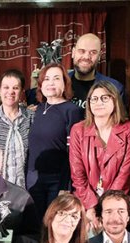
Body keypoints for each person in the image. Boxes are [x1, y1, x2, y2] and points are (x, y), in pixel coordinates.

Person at [69, 81, 130, 232]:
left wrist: (106, 207)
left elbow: (125, 174)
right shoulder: (78, 130)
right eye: (94, 99)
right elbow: (77, 173)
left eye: (104, 98)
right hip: (86, 200)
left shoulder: (129, 130)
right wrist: (92, 207)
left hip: (117, 200)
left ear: (115, 100)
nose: (98, 103)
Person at [26, 63, 82, 218]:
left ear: (65, 84)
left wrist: (66, 185)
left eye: (56, 78)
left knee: (53, 223)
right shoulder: (35, 110)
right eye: (46, 79)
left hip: (57, 179)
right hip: (32, 177)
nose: (50, 83)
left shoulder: (72, 111)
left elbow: (74, 152)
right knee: (35, 225)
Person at [0, 69, 34, 188]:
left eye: (15, 88)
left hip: (26, 188)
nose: (10, 92)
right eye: (6, 87)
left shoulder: (31, 117)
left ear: (21, 91)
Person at [68, 33, 126, 112]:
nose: (86, 57)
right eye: (82, 51)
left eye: (93, 52)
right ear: (73, 52)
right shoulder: (59, 83)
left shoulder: (115, 88)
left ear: (99, 56)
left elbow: (119, 121)